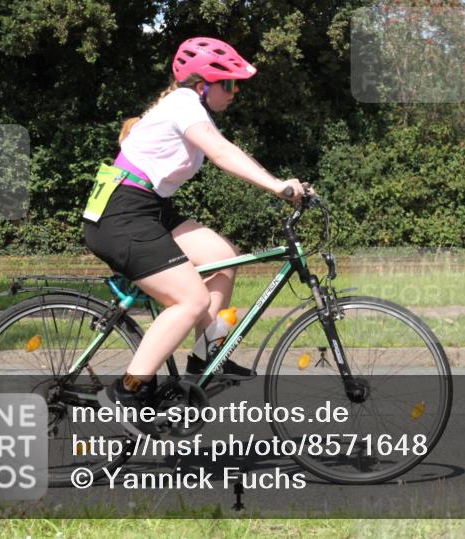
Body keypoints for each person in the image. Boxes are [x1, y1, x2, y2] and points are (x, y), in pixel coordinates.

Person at [83, 37, 308, 427]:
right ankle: (126, 391)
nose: (234, 93)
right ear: (202, 85)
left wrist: (284, 184)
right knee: (190, 299)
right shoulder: (183, 103)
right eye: (229, 84)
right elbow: (221, 154)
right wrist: (276, 187)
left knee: (223, 256)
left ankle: (206, 356)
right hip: (122, 214)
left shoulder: (193, 110)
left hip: (149, 209)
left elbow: (228, 149)